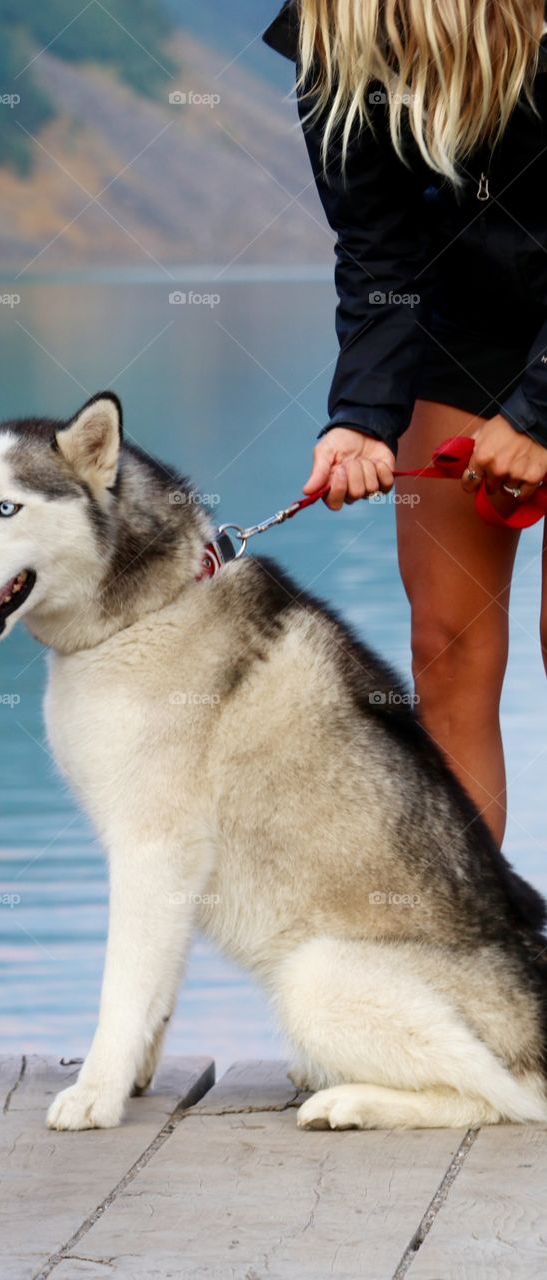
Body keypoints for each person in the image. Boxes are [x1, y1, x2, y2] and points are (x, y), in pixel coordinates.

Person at [262, 0, 547, 847]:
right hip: (461, 339)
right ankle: (471, 956)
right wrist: (362, 419)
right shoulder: (332, 27)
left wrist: (537, 410)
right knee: (447, 650)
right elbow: (379, 249)